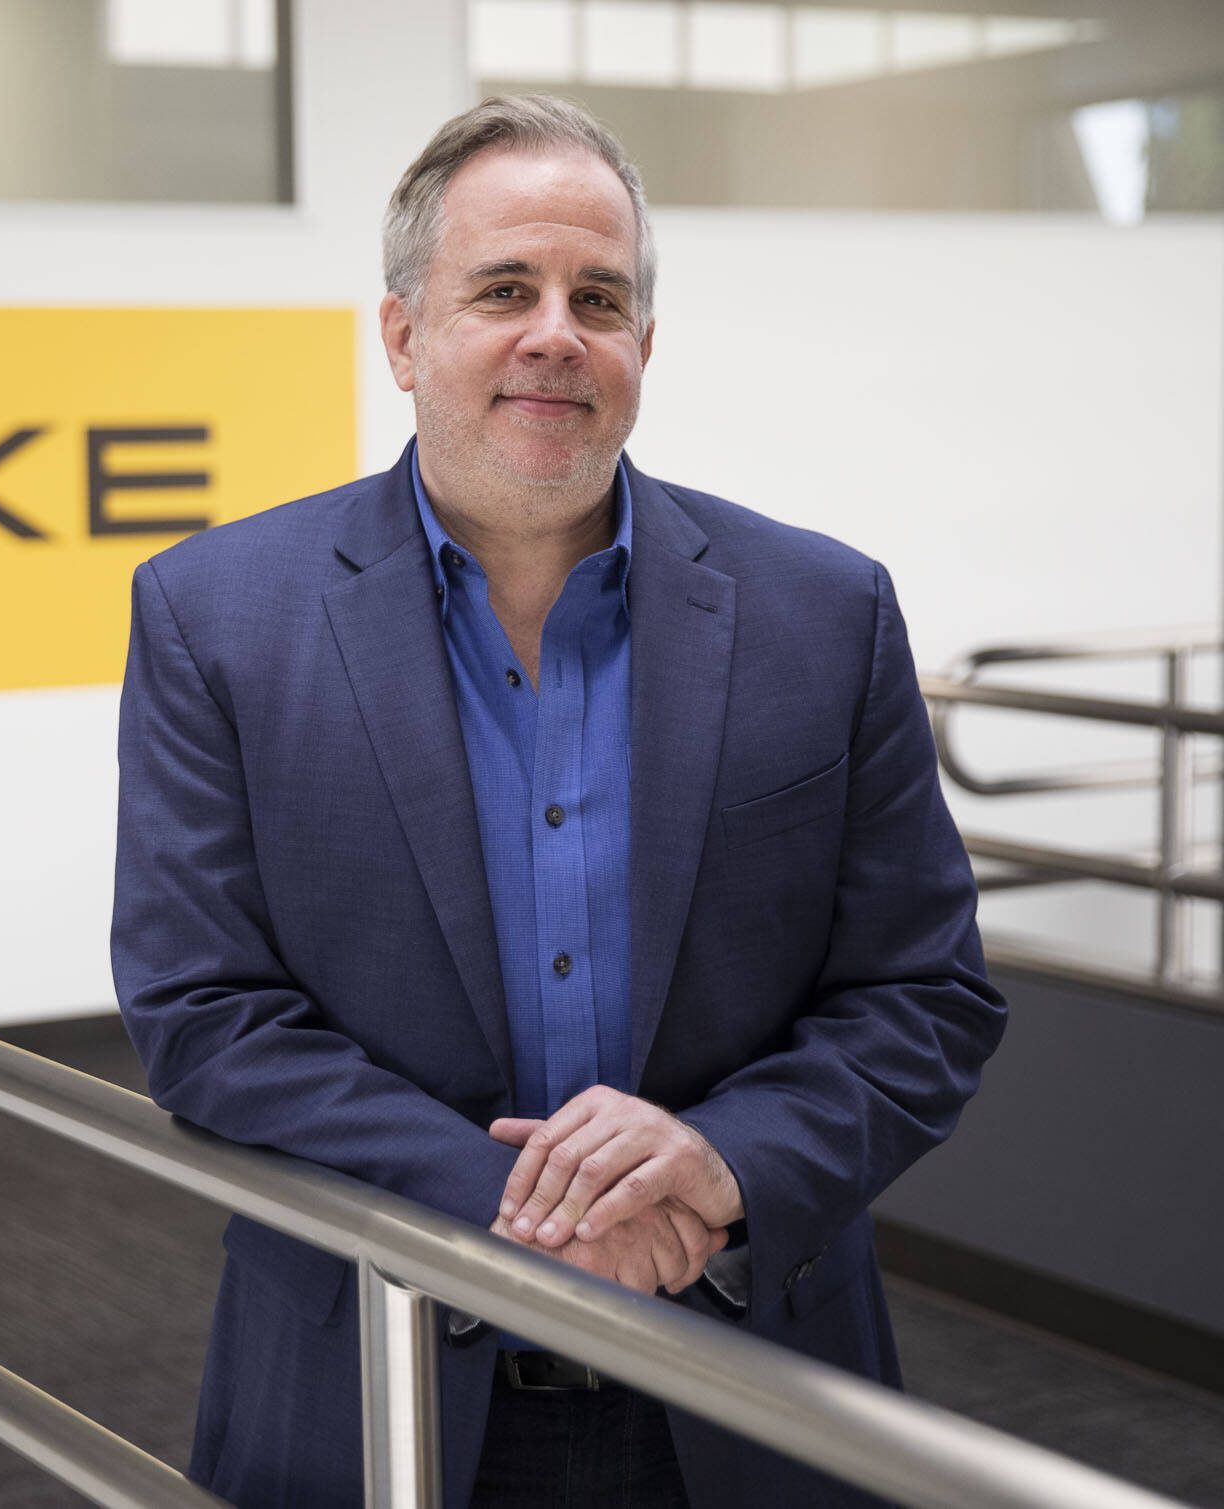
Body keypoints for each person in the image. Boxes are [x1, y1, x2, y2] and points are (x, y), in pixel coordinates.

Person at [111, 93, 1005, 1509]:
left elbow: (925, 992)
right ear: (403, 336)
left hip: (752, 1378)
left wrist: (724, 1159)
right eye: (504, 290)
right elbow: (206, 1013)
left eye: (600, 297)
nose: (556, 334)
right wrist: (524, 1214)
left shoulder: (825, 613)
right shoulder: (218, 617)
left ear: (644, 346)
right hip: (377, 1382)